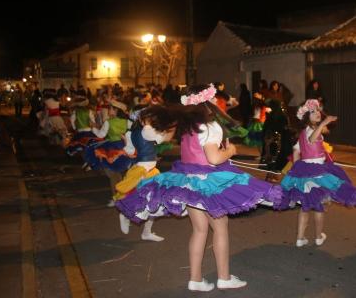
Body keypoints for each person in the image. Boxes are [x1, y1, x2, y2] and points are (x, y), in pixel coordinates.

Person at [115, 84, 282, 292]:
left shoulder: (187, 129)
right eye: (214, 99)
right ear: (207, 102)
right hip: (209, 184)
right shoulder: (211, 127)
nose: (217, 102)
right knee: (220, 228)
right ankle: (224, 277)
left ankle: (195, 279)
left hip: (189, 183)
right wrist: (230, 151)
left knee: (199, 230)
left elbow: (195, 155)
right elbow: (213, 157)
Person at [280, 99, 356, 247]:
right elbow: (312, 139)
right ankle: (318, 236)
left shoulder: (303, 133)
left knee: (306, 205)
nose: (317, 113)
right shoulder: (313, 131)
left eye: (318, 110)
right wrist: (324, 123)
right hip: (316, 172)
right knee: (318, 205)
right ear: (306, 117)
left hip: (305, 172)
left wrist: (296, 169)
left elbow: (296, 151)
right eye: (313, 112)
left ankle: (300, 238)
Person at [115, 105, 177, 242]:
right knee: (151, 203)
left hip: (146, 169)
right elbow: (164, 139)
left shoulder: (132, 133)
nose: (152, 121)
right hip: (144, 172)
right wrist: (173, 125)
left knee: (155, 204)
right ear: (142, 119)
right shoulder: (147, 130)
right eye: (150, 118)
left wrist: (128, 143)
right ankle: (125, 215)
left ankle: (146, 232)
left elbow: (130, 151)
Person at [84, 100, 134, 206]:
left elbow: (101, 135)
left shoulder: (109, 122)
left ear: (116, 110)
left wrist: (93, 127)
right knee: (119, 174)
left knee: (113, 174)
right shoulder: (127, 121)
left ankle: (117, 199)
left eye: (110, 108)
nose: (108, 110)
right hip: (124, 148)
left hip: (111, 149)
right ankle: (122, 197)